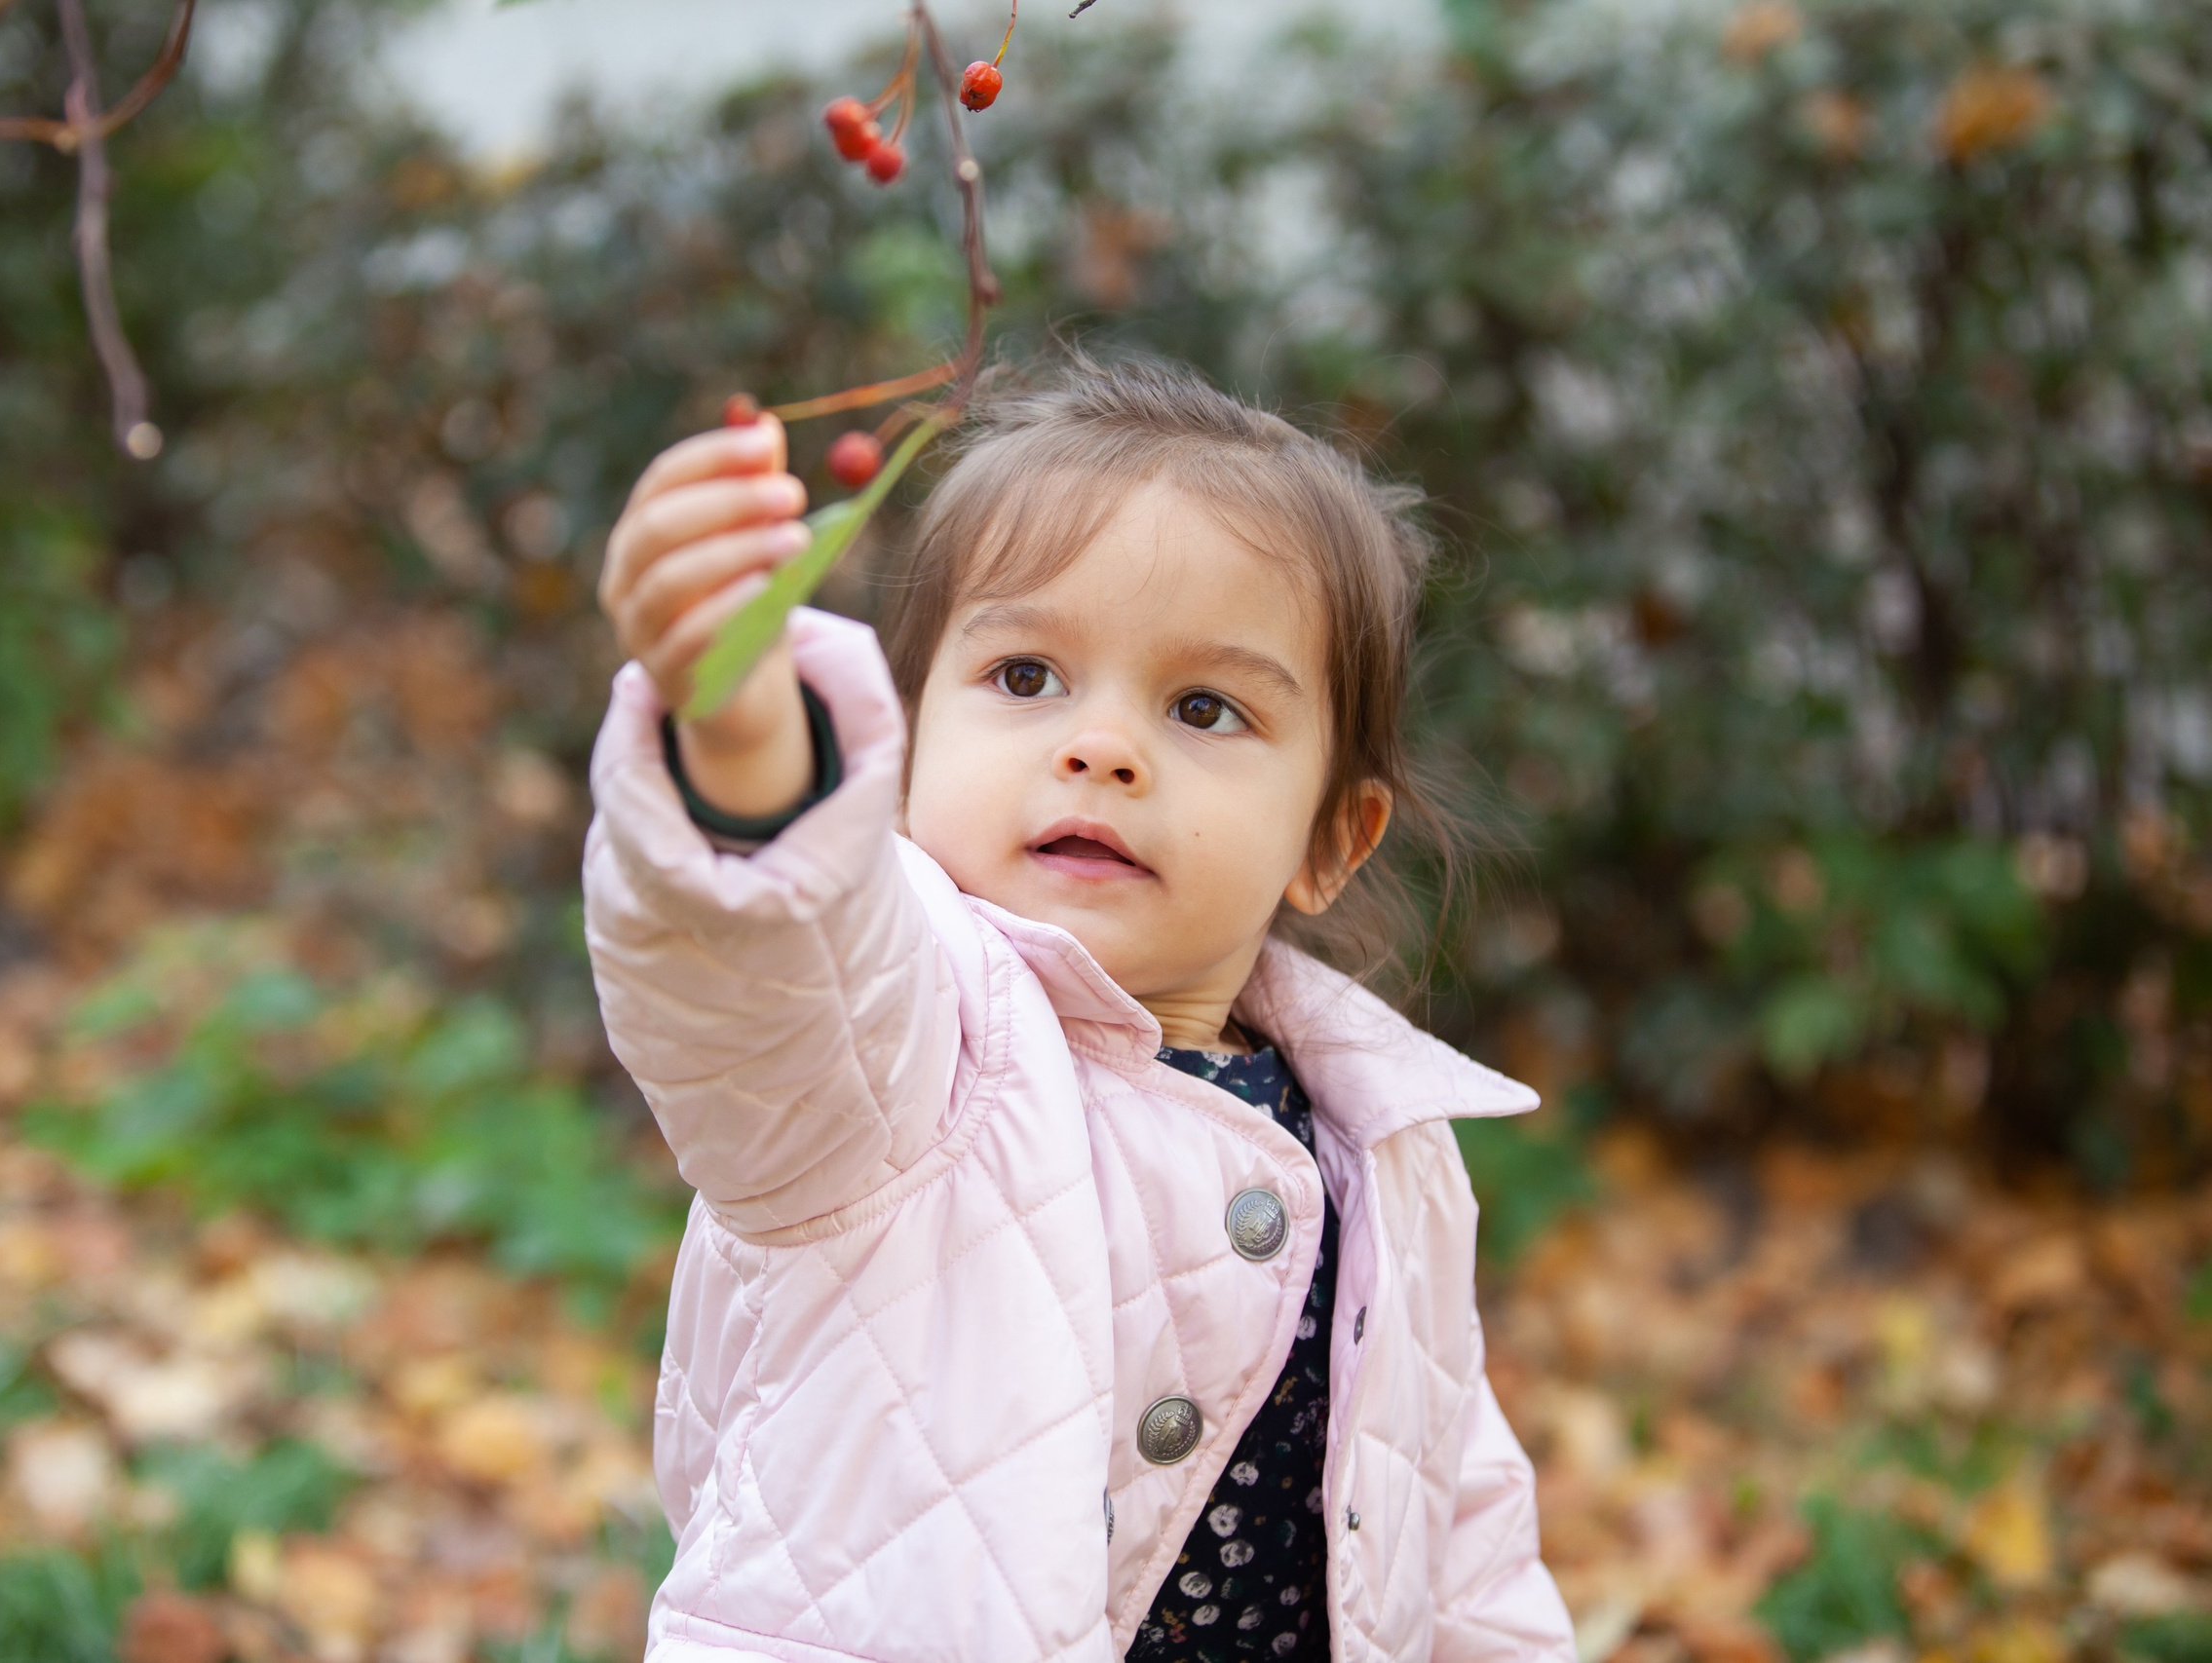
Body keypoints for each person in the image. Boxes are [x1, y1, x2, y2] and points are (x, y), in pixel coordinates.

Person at [585, 357, 1576, 1663]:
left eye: (1204, 707)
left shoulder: (1387, 1147)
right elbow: (756, 973)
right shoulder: (901, 1044)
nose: (1103, 747)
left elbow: (1459, 1537)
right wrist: (747, 751)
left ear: (1332, 840)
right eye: (1027, 677)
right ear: (906, 733)